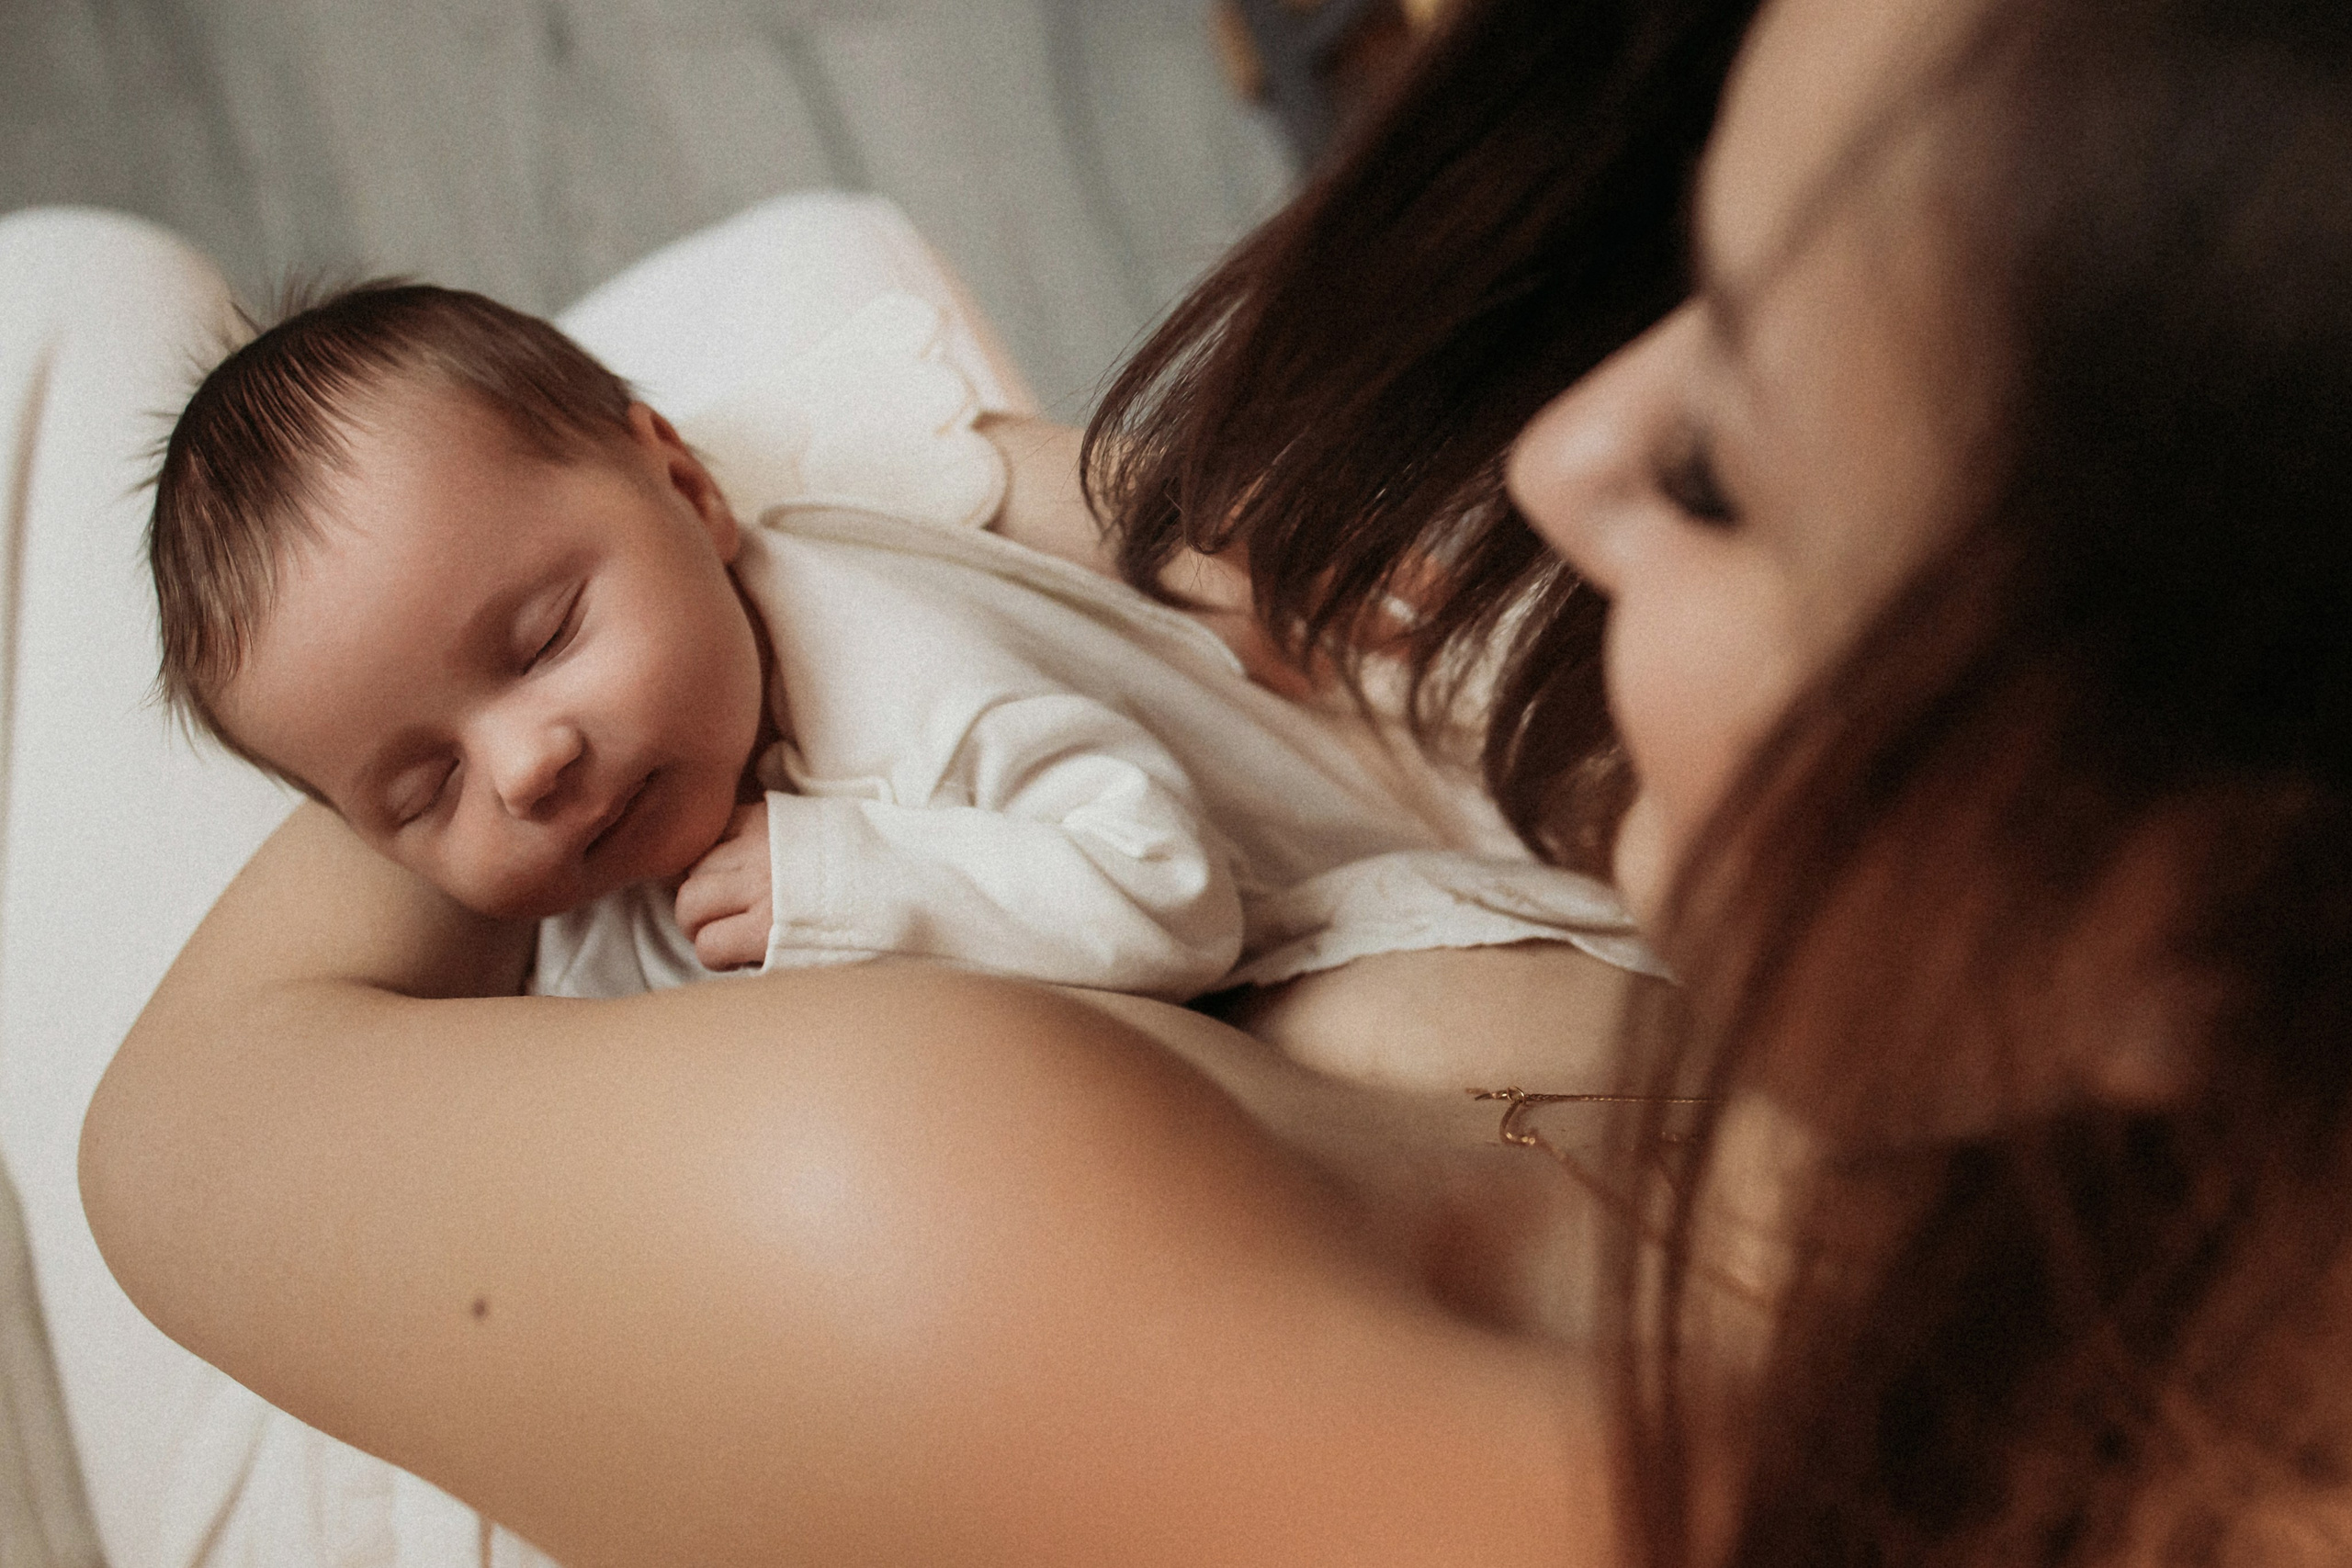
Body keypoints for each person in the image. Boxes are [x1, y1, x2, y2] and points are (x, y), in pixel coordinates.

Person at [78, 0, 2352, 1562]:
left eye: (1720, 464)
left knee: (72, 311)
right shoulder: (2062, 1182)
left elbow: (182, 1134)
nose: (1556, 463)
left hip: (383, 1417)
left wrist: (483, 693)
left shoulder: (979, 1216)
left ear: (2182, 904)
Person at [150, 280, 1645, 1012]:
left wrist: (850, 883)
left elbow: (1169, 894)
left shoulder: (882, 673)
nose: (527, 765)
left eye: (545, 640)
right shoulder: (591, 900)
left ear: (688, 487)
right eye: (419, 793)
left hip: (1374, 889)